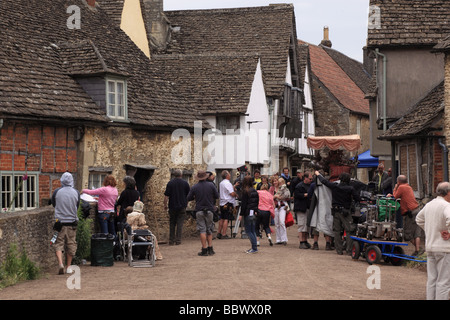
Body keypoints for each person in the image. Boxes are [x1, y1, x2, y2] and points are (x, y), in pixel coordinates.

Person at [416, 182, 450, 300]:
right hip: (444, 248)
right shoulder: (446, 206)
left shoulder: (429, 205)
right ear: (448, 193)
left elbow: (419, 219)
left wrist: (430, 229)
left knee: (432, 280)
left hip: (430, 247)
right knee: (443, 282)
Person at [315, 170, 360, 255]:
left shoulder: (335, 186)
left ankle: (339, 250)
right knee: (350, 230)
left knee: (337, 231)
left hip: (335, 211)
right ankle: (349, 249)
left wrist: (318, 174)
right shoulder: (350, 188)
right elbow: (358, 198)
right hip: (346, 212)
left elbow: (324, 182)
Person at [51, 172, 80, 274]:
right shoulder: (76, 192)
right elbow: (77, 205)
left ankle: (60, 264)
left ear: (62, 180)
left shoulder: (57, 192)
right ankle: (68, 266)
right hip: (72, 222)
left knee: (58, 243)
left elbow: (54, 203)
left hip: (59, 222)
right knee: (71, 244)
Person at [187, 170, 219, 256]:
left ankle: (204, 249)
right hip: (209, 209)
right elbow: (217, 196)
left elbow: (189, 198)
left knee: (202, 230)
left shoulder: (195, 187)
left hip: (199, 210)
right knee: (209, 229)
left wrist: (196, 196)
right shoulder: (211, 185)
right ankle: (210, 248)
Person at [388, 175, 423, 256]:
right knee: (417, 232)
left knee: (407, 234)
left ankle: (419, 249)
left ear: (399, 182)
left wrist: (395, 188)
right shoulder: (409, 187)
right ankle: (417, 250)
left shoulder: (401, 187)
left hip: (410, 213)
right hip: (417, 210)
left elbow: (395, 196)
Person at [164, 169, 190, 245]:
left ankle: (171, 240)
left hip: (172, 206)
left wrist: (165, 205)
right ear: (181, 175)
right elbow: (188, 196)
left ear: (174, 175)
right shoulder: (185, 183)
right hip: (182, 206)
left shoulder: (170, 183)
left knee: (172, 223)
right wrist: (186, 203)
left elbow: (166, 196)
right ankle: (178, 240)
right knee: (180, 223)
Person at [240, 176, 260, 253]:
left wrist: (241, 214)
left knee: (248, 231)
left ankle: (254, 248)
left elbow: (243, 204)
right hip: (254, 212)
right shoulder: (255, 191)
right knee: (253, 230)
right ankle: (254, 247)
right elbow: (256, 203)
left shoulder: (245, 191)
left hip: (248, 212)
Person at [294, 172, 312, 249]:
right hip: (301, 208)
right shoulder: (299, 186)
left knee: (306, 226)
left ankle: (305, 241)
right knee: (301, 225)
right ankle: (301, 242)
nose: (311, 180)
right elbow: (297, 195)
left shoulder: (310, 185)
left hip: (307, 207)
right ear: (306, 178)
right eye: (310, 179)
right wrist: (305, 195)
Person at [217, 170, 237, 239]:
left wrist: (234, 186)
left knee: (222, 218)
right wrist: (236, 195)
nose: (230, 175)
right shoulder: (227, 183)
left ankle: (219, 232)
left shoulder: (221, 183)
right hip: (227, 202)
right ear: (227, 175)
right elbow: (231, 193)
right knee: (226, 218)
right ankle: (224, 234)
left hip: (222, 202)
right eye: (229, 174)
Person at [273, 177, 291, 245]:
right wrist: (276, 197)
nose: (276, 183)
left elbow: (287, 196)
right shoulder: (272, 189)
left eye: (277, 181)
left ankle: (284, 239)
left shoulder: (285, 188)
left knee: (282, 222)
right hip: (275, 207)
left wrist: (278, 197)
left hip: (283, 206)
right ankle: (278, 239)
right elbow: (271, 197)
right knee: (276, 224)